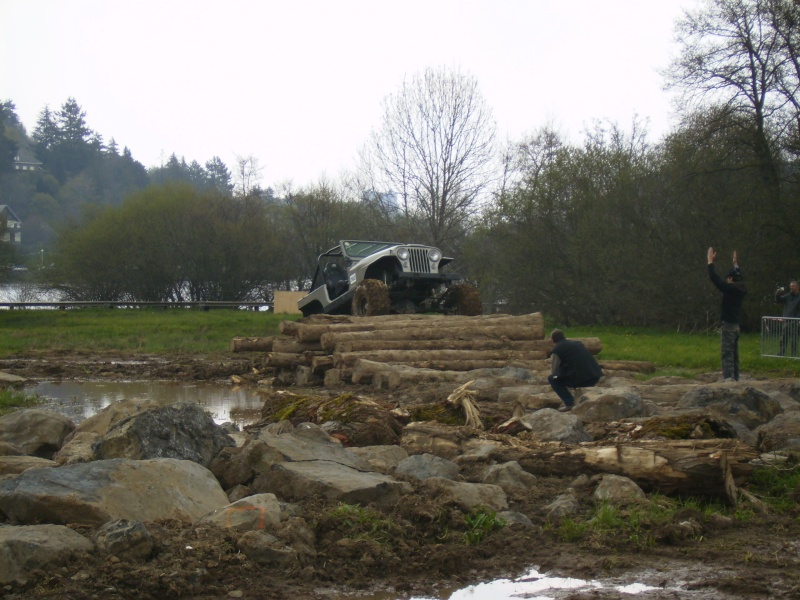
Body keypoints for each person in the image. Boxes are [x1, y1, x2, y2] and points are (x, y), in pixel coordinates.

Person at [707, 247, 747, 381]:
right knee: (735, 355)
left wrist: (710, 261)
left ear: (730, 279)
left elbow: (714, 277)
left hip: (729, 325)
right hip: (736, 325)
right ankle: (736, 378)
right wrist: (736, 264)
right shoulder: (742, 289)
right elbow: (739, 275)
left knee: (727, 354)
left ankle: (729, 380)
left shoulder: (729, 289)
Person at [547, 329, 603, 411]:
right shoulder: (577, 344)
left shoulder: (557, 350)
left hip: (582, 379)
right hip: (594, 375)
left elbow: (554, 370)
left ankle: (569, 403)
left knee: (552, 379)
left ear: (552, 340)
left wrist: (557, 375)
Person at [775, 280, 800, 357]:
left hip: (795, 321)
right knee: (783, 338)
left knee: (793, 339)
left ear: (798, 287)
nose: (791, 287)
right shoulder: (788, 296)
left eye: (793, 286)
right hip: (786, 321)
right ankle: (781, 353)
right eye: (790, 286)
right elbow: (779, 300)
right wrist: (777, 294)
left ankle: (794, 354)